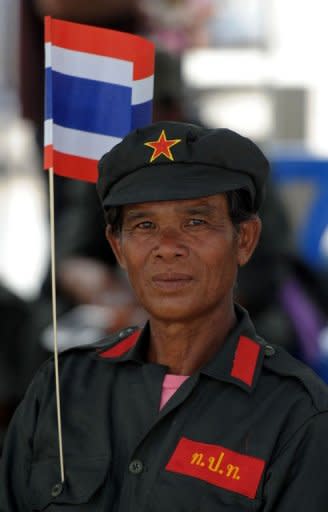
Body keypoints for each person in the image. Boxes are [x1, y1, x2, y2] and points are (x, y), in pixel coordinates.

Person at [1, 120, 328, 511]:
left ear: (244, 240)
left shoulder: (298, 415)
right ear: (118, 248)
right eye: (144, 225)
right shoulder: (60, 389)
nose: (167, 247)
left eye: (195, 222)